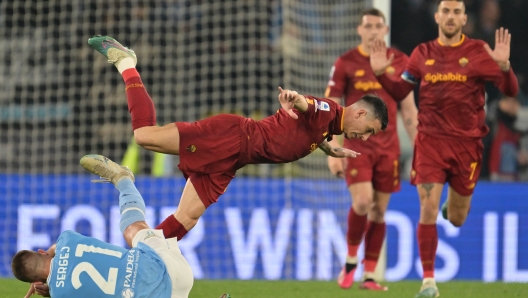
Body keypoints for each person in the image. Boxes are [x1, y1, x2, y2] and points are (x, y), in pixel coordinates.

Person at [86, 35, 389, 243]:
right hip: (230, 137)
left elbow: (308, 127)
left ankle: (144, 256)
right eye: (370, 130)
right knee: (144, 136)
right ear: (361, 115)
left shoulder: (330, 124)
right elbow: (307, 105)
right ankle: (126, 63)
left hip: (233, 160)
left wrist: (326, 146)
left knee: (187, 218)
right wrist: (293, 99)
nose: (364, 137)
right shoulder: (326, 110)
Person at [369, 0, 518, 297]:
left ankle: (455, 204)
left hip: (467, 145)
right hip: (430, 142)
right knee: (427, 209)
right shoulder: (422, 53)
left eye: (456, 12)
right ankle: (429, 282)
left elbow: (510, 91)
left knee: (458, 218)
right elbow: (401, 90)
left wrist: (505, 67)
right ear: (437, 16)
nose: (450, 17)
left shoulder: (477, 51)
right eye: (446, 11)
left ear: (464, 18)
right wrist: (381, 74)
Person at [325, 8, 418, 291]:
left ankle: (369, 275)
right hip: (357, 146)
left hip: (388, 149)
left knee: (379, 212)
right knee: (363, 202)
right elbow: (330, 105)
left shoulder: (400, 61)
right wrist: (332, 146)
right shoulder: (346, 63)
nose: (374, 30)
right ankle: (351, 260)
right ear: (360, 29)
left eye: (379, 26)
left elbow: (409, 109)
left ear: (385, 30)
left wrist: (420, 152)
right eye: (368, 26)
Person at [12, 154, 194, 298]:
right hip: (172, 266)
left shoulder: (60, 293)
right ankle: (123, 180)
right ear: (42, 252)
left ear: (36, 280)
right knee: (132, 227)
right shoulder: (66, 240)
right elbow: (57, 249)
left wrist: (51, 290)